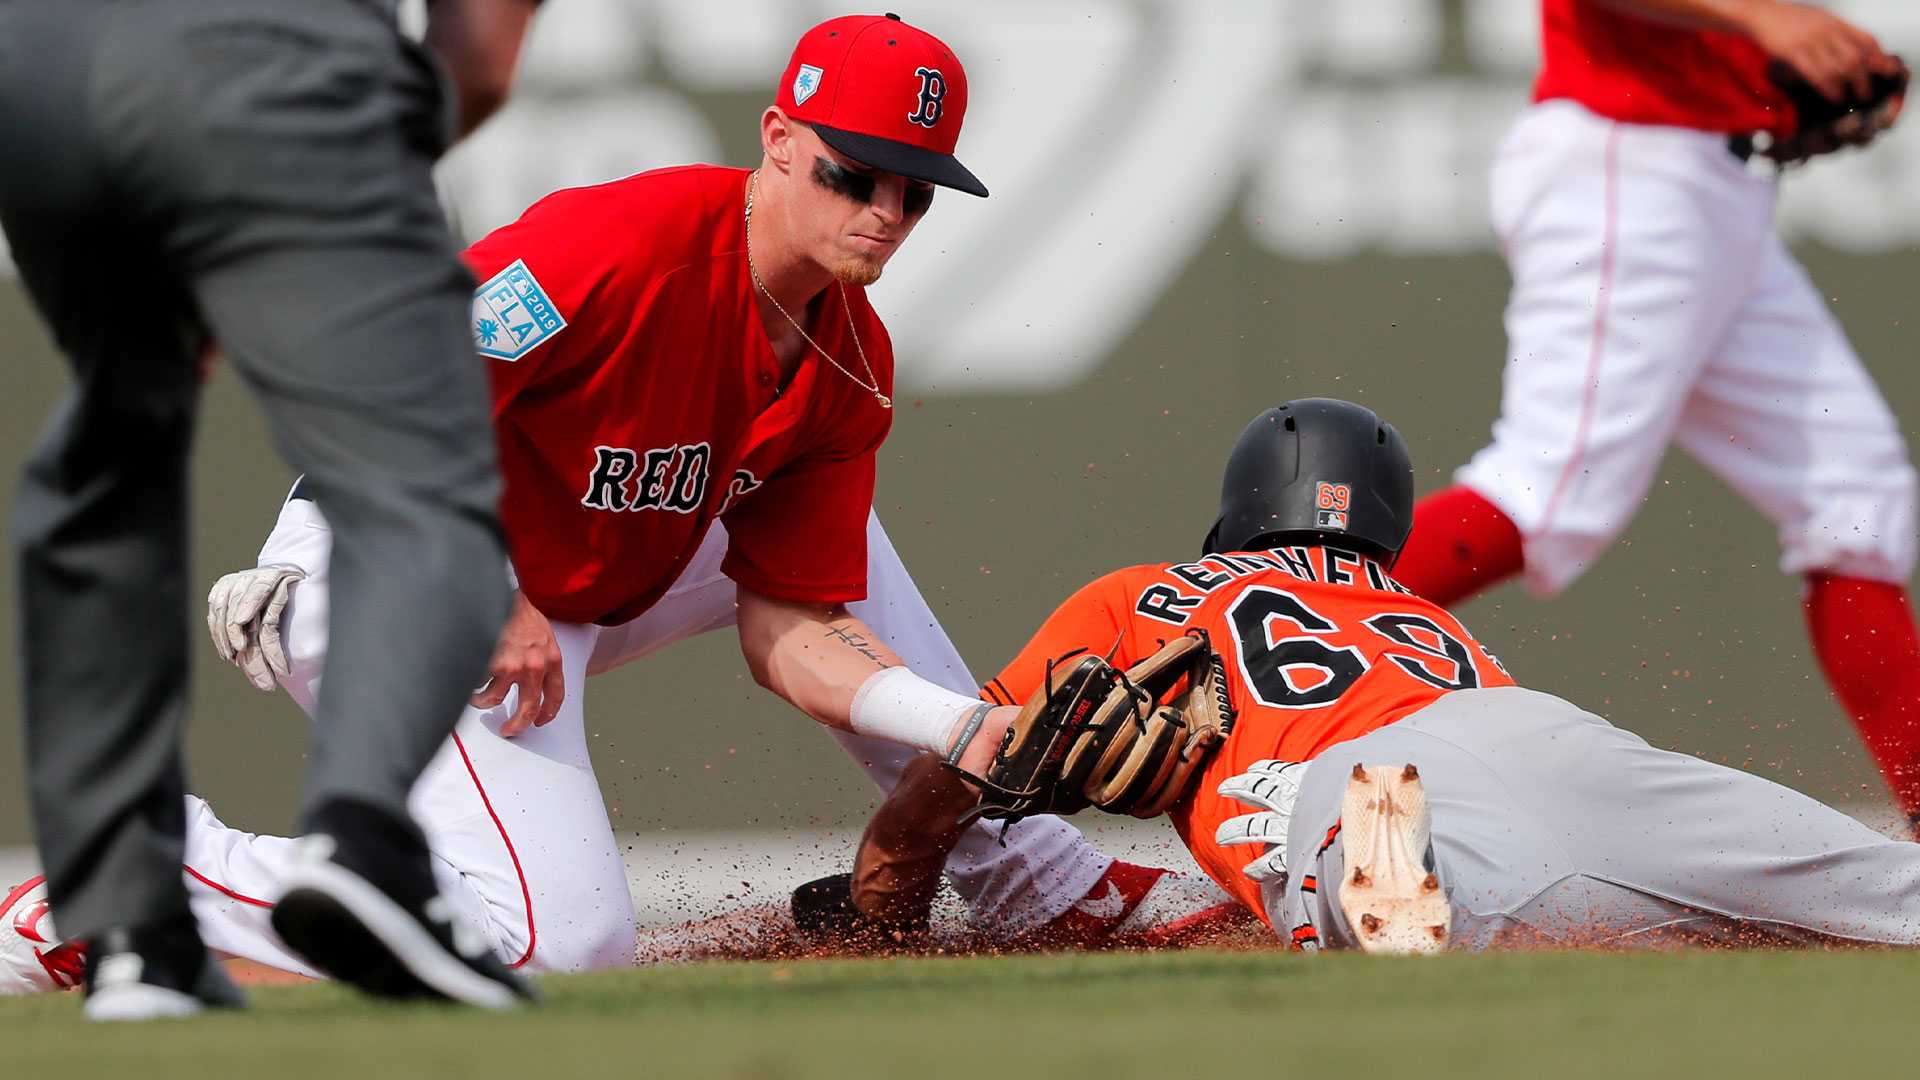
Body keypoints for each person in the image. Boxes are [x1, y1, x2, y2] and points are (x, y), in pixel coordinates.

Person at [0, 12, 1234, 993]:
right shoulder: (627, 243)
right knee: (558, 948)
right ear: (778, 137)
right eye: (859, 174)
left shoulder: (848, 355)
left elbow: (792, 623)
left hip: (579, 575)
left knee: (844, 545)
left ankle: (1024, 864)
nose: (885, 214)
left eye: (916, 192)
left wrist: (956, 731)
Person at [811, 399, 1920, 953]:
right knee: (1878, 903)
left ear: (1234, 512)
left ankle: (1336, 864)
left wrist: (883, 916)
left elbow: (956, 774)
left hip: (1354, 789)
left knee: (1416, 955)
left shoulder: (1150, 592)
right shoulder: (1421, 614)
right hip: (1555, 737)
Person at [0, 0, 541, 1018]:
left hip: (43, 72)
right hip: (285, 61)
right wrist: (334, 182)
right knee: (417, 483)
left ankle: (135, 938)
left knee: (110, 469)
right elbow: (484, 47)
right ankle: (363, 844)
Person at [1386, 0, 1920, 829]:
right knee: (1549, 492)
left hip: (1712, 180)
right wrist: (1764, 21)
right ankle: (1239, 638)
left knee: (1856, 503)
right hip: (1625, 164)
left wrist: (1774, 91)